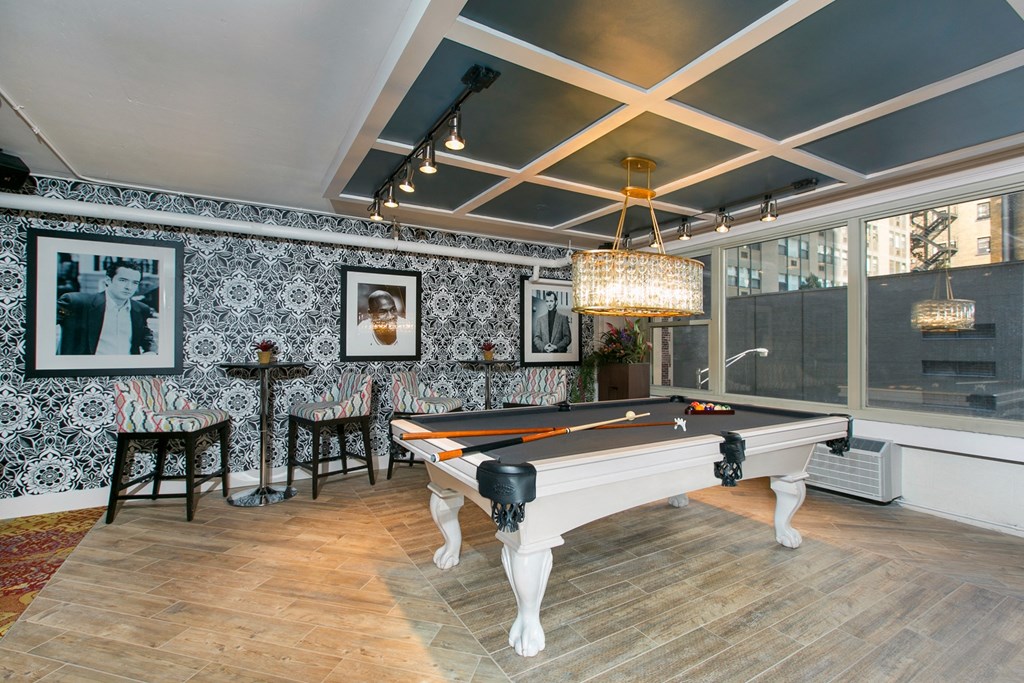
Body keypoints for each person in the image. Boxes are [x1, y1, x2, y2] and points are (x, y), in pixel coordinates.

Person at [56, 259, 156, 355]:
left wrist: (150, 352)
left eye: (135, 282)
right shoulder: (77, 304)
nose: (129, 287)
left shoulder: (141, 309)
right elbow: (43, 324)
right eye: (123, 280)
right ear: (108, 280)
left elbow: (146, 336)